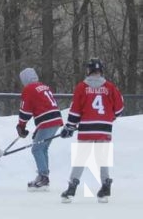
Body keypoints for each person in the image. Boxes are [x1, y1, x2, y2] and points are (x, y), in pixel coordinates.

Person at [59, 58, 124, 203]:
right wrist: (109, 117)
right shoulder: (110, 87)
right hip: (104, 129)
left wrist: (69, 126)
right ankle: (105, 187)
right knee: (102, 159)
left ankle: (71, 189)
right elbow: (119, 109)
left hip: (87, 129)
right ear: (101, 71)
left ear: (88, 71)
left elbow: (75, 110)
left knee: (81, 158)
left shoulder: (81, 87)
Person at [16, 67, 63, 191]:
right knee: (43, 148)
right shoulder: (44, 86)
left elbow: (25, 111)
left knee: (36, 149)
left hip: (47, 121)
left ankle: (43, 178)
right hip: (56, 119)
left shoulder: (29, 89)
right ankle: (43, 176)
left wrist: (21, 126)